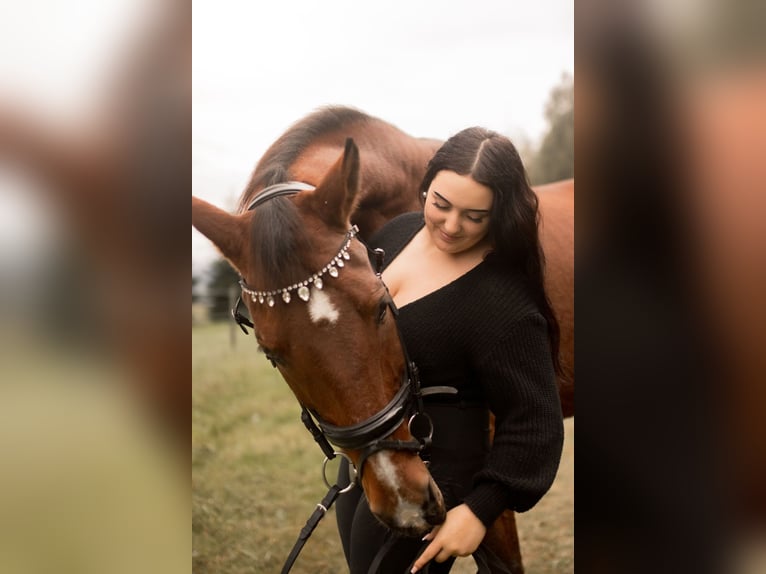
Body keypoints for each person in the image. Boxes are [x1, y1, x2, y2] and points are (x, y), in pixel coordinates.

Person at [335, 127, 565, 573]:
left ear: (499, 214)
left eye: (474, 216)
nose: (451, 224)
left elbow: (536, 423)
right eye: (440, 203)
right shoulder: (399, 233)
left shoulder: (504, 301)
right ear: (427, 185)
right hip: (368, 454)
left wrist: (479, 509)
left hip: (432, 472)